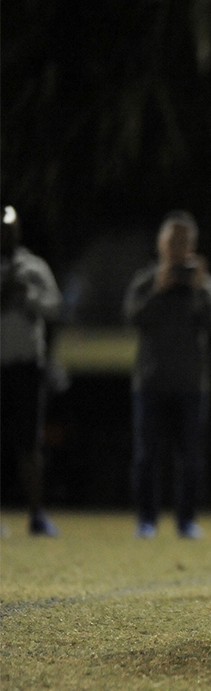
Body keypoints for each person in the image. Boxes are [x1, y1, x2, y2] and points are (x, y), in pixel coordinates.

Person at [123, 211, 211, 540]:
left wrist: (196, 289)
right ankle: (146, 520)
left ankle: (186, 521)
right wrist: (158, 288)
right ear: (160, 244)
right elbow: (133, 318)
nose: (178, 248)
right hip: (150, 382)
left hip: (191, 384)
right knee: (146, 456)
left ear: (192, 245)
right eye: (172, 241)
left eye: (183, 241)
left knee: (190, 457)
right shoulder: (146, 280)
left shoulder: (204, 284)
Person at [1, 205, 62, 537]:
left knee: (29, 444)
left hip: (26, 367)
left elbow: (54, 306)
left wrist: (27, 297)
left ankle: (37, 514)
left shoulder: (33, 267)